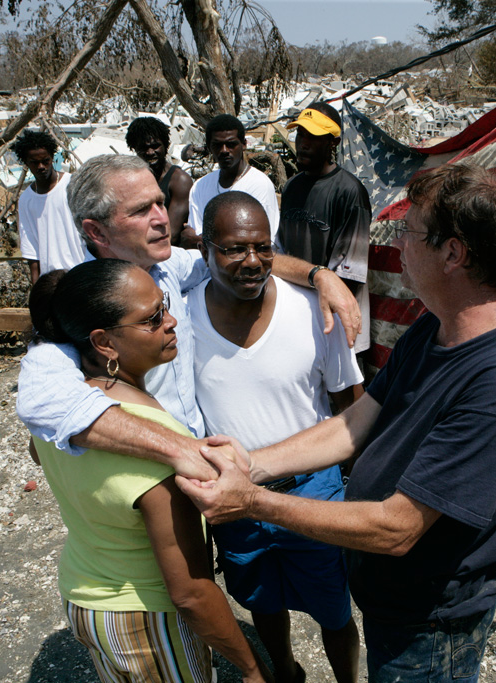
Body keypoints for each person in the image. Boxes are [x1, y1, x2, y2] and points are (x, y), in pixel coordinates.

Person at [179, 163, 496, 683]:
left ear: (453, 253)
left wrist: (254, 501)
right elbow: (354, 422)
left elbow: (398, 528)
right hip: (389, 602)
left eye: (410, 231)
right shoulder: (436, 328)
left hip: (430, 626)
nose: (398, 244)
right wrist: (251, 464)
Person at [15, 154, 363, 482]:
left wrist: (321, 276)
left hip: (205, 486)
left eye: (160, 202)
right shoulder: (80, 305)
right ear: (97, 232)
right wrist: (181, 451)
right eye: (140, 210)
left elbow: (240, 258)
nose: (162, 219)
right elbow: (41, 403)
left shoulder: (168, 267)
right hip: (147, 483)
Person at [26, 259, 267, 683]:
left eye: (166, 306)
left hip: (84, 597)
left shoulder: (56, 414)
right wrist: (250, 668)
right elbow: (190, 593)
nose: (171, 321)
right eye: (152, 319)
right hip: (144, 620)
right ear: (103, 342)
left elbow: (37, 453)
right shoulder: (160, 445)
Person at [191, 191, 363, 683]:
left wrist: (353, 482)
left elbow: (350, 403)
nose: (251, 262)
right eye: (233, 249)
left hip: (315, 491)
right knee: (262, 602)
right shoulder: (180, 320)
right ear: (205, 248)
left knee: (335, 610)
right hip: (234, 499)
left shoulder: (313, 311)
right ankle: (286, 673)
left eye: (262, 247)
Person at [279, 103, 372, 353]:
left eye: (314, 136)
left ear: (332, 143)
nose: (303, 143)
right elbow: (280, 253)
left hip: (336, 325)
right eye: (300, 135)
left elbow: (348, 275)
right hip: (293, 318)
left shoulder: (350, 192)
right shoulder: (291, 188)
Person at [187, 115, 280, 243]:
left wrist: (203, 240)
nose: (224, 151)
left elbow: (256, 240)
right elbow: (192, 237)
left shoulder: (259, 184)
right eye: (217, 145)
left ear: (244, 145)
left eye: (231, 144)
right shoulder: (200, 186)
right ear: (209, 147)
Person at [13, 130, 88, 282]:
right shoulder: (26, 199)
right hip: (52, 281)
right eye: (34, 162)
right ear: (26, 163)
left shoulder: (73, 184)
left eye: (45, 161)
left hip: (84, 272)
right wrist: (36, 291)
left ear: (52, 157)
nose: (41, 166)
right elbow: (31, 249)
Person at [126, 116, 197, 248]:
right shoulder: (132, 178)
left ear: (166, 145)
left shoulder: (179, 181)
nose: (150, 152)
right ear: (134, 149)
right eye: (143, 148)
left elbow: (170, 234)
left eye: (155, 146)